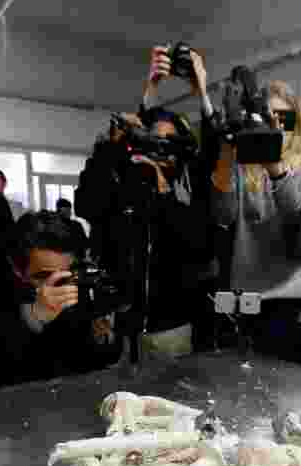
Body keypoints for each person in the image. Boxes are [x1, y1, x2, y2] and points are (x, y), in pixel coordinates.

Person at [76, 45, 219, 361]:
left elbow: (197, 242)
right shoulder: (124, 182)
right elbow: (87, 203)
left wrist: (202, 91)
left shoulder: (190, 190)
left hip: (170, 330)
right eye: (152, 142)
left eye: (167, 144)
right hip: (118, 328)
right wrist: (147, 94)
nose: (159, 152)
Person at [210, 79, 301, 365]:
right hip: (246, 303)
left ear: (296, 123)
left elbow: (300, 225)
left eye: (283, 117)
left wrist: (274, 165)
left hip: (294, 303)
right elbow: (222, 216)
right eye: (268, 116)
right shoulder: (240, 170)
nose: (275, 123)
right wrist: (226, 150)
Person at [0, 211, 121, 391]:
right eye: (44, 275)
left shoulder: (72, 279)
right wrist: (33, 317)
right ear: (16, 269)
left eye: (65, 272)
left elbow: (84, 357)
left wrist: (100, 339)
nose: (58, 283)